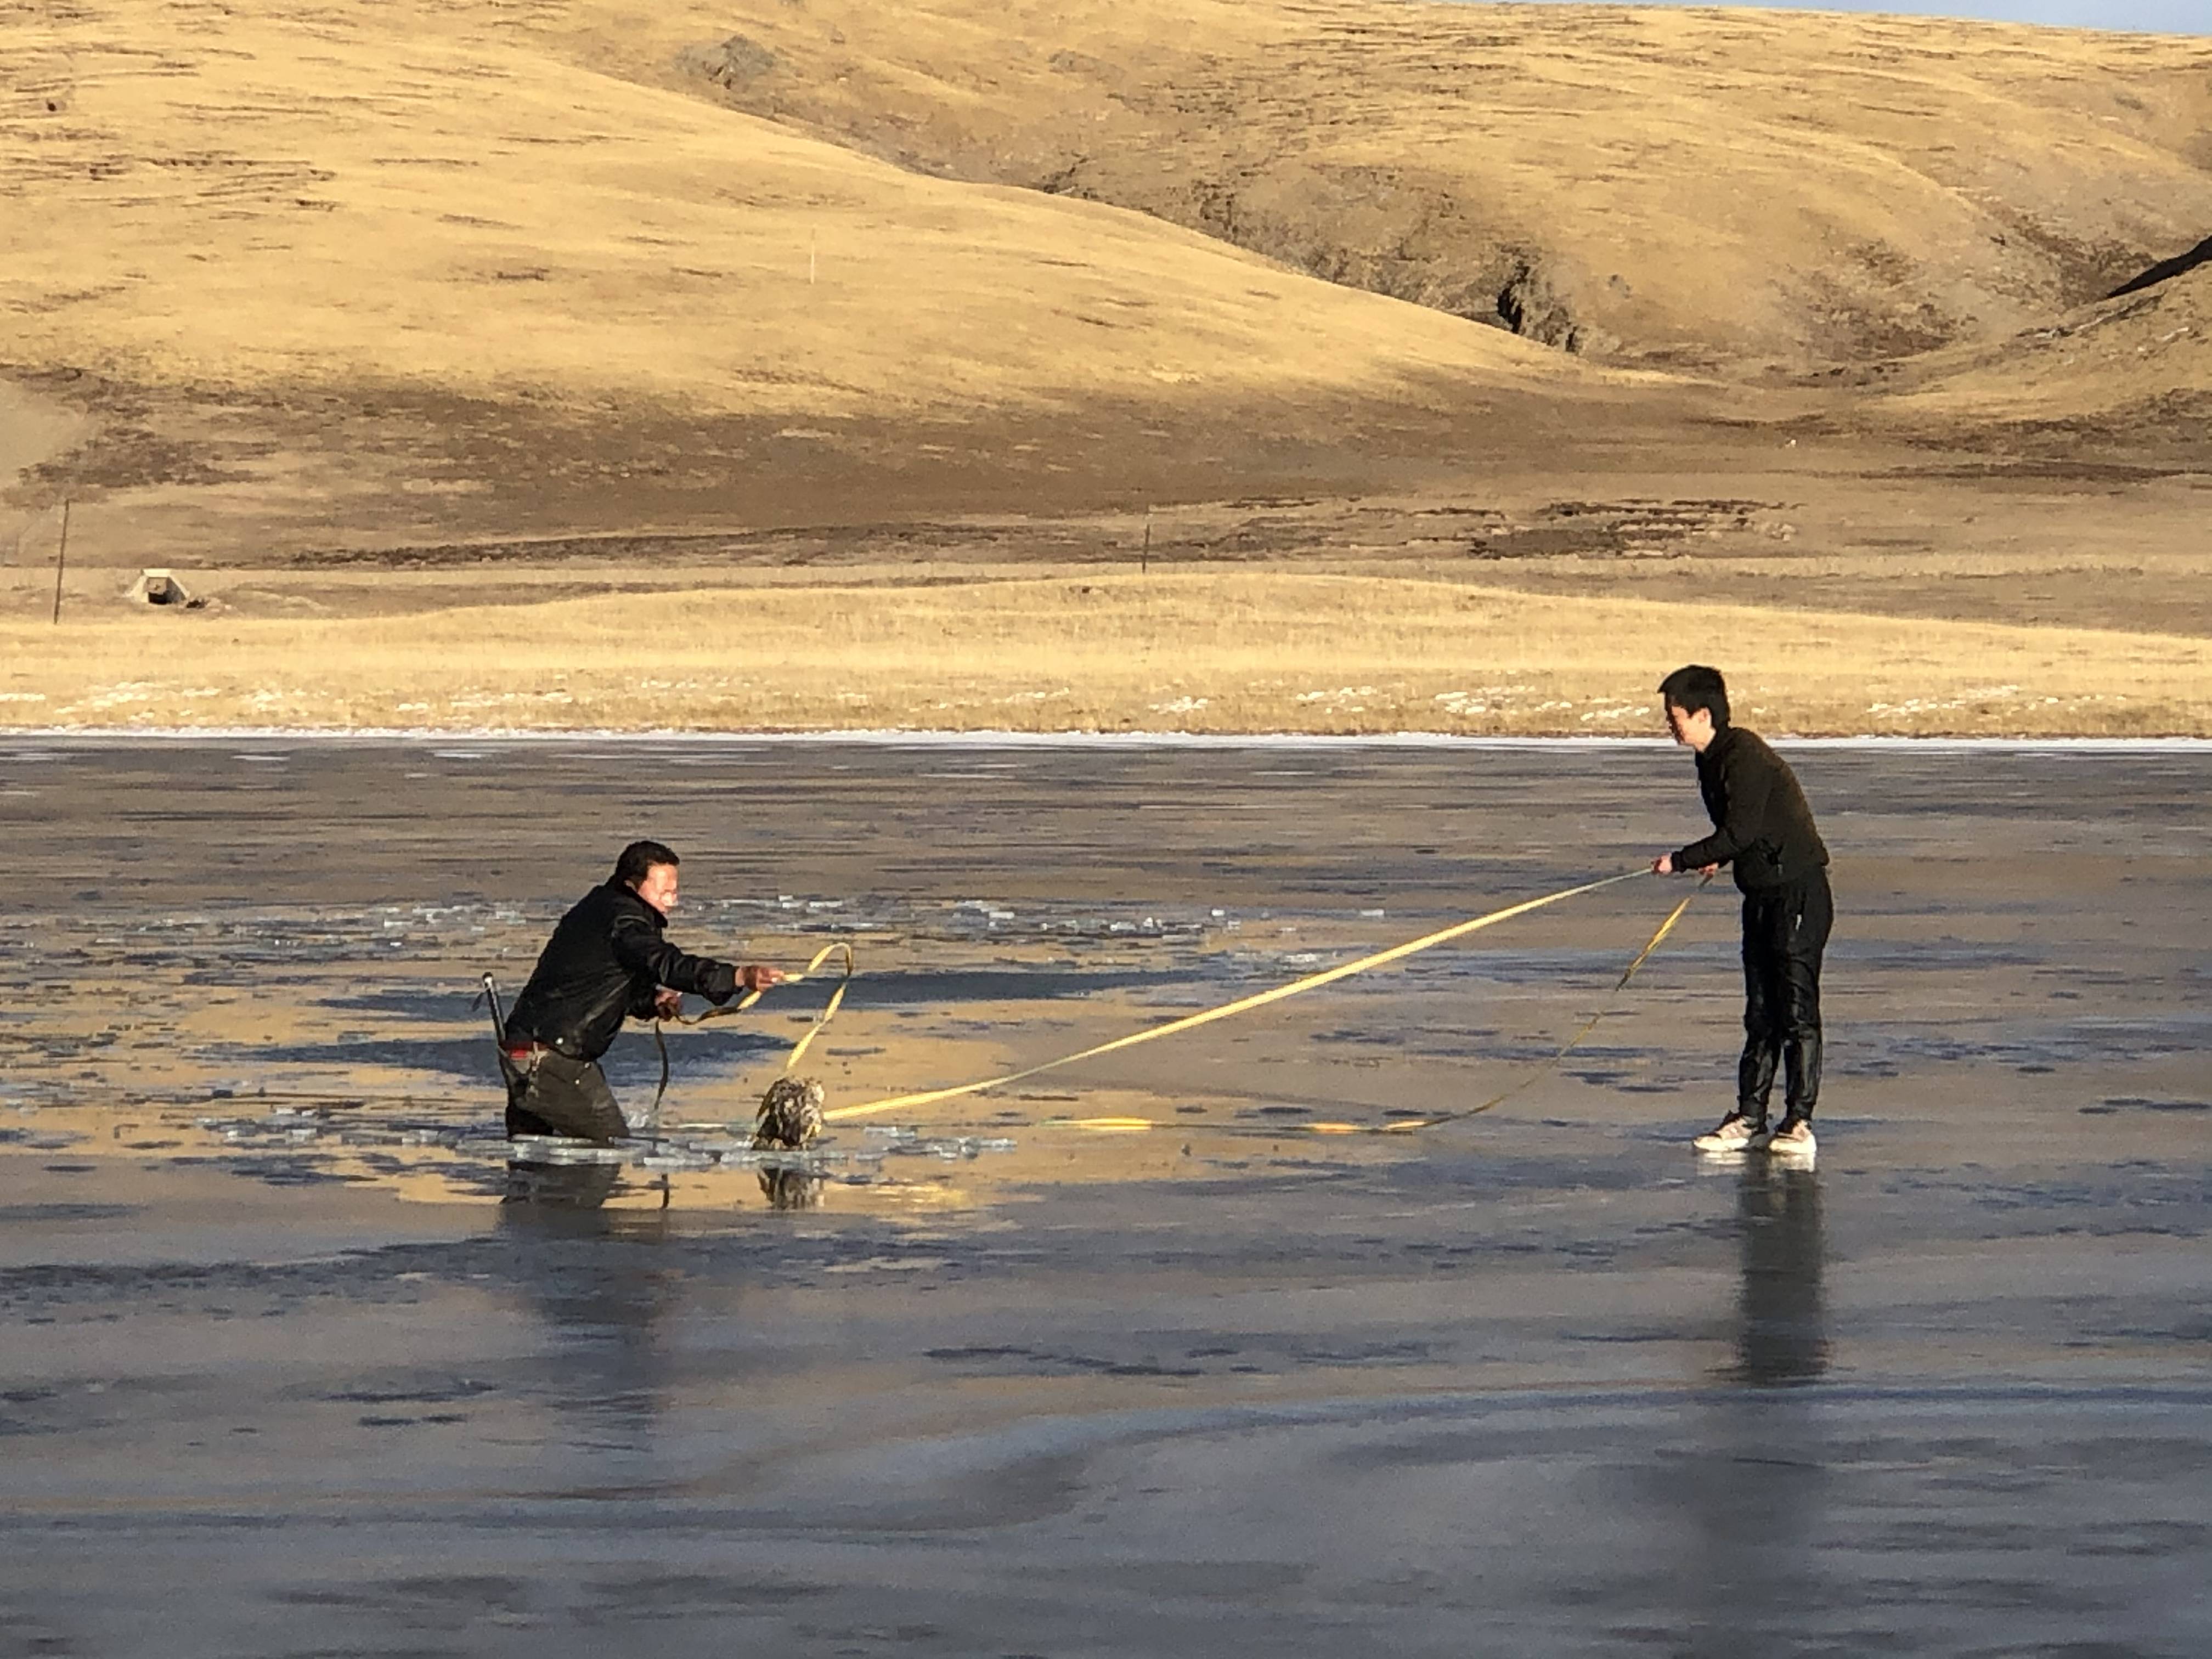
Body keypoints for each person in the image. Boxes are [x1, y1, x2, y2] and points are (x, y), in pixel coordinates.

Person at [1651, 666, 1831, 1157]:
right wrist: (1721, 854)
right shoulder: (1710, 760)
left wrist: (1683, 860)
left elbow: (1742, 830)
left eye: (1675, 716)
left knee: (1795, 1013)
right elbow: (1740, 830)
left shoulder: (1744, 756)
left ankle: (1799, 1121)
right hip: (1760, 895)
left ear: (1703, 714)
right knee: (1760, 1013)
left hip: (1797, 895)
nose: (1670, 725)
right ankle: (1750, 1116)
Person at [499, 839, 785, 1142]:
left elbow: (597, 981)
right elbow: (665, 962)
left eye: (674, 892)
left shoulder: (601, 909)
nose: (672, 902)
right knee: (610, 1150)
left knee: (533, 1166)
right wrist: (737, 976)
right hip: (553, 1055)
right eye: (664, 892)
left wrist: (652, 1000)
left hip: (525, 1047)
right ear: (633, 885)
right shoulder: (624, 919)